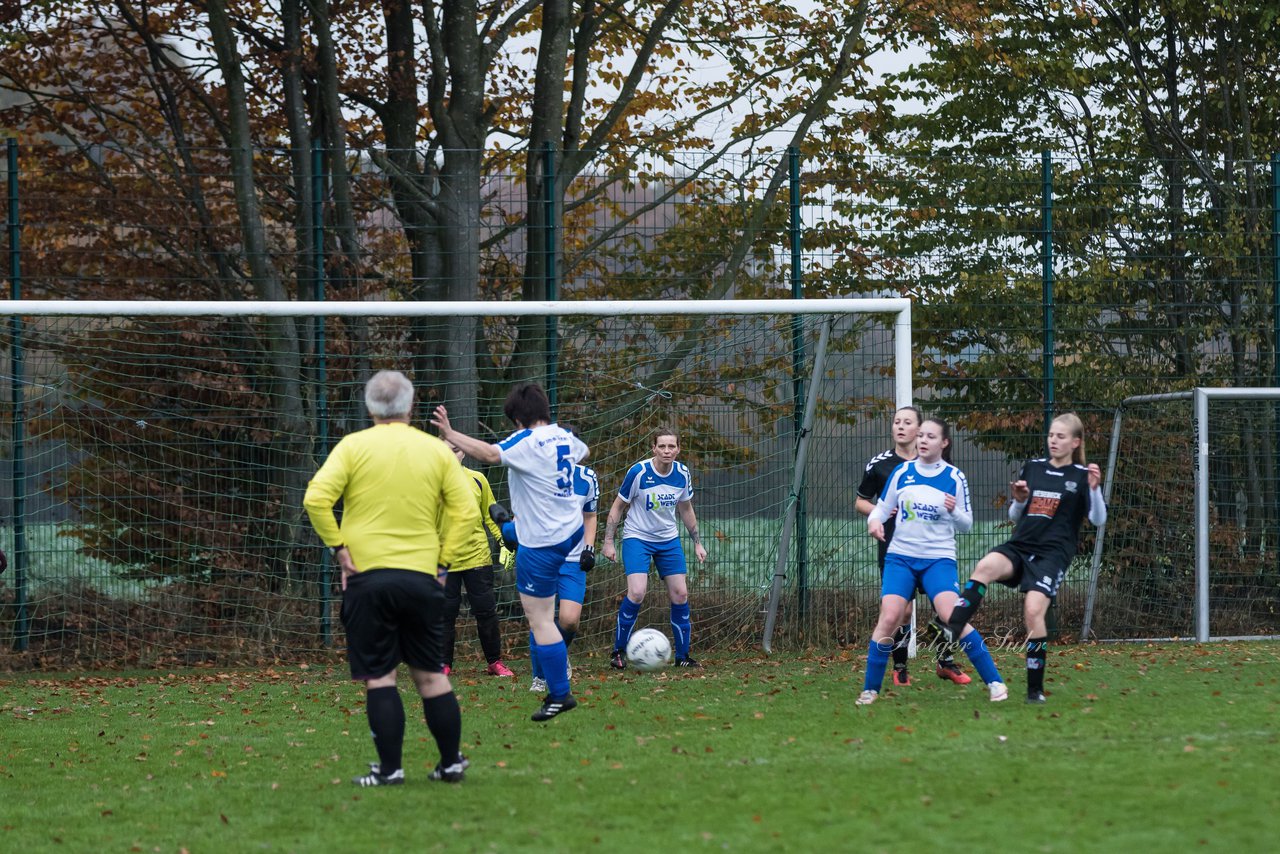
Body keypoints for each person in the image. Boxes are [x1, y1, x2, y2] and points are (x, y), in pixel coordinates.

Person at [303, 370, 477, 786]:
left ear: (369, 408)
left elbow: (316, 498)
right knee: (431, 675)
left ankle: (390, 770)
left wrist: (340, 549)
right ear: (411, 406)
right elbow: (467, 511)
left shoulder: (353, 446)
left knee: (380, 677)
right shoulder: (434, 451)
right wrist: (444, 562)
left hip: (367, 578)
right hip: (421, 578)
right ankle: (451, 763)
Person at [431, 382, 589, 721]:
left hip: (542, 544)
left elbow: (489, 454)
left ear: (518, 419)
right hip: (572, 533)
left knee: (541, 621)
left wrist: (450, 432)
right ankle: (508, 528)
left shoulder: (524, 440)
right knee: (509, 526)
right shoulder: (566, 436)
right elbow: (583, 451)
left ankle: (559, 694)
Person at [939, 412, 1106, 704]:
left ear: (1075, 442)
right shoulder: (1034, 467)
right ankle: (953, 628)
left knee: (1032, 612)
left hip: (1052, 555)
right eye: (1051, 435)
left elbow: (1097, 518)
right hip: (1021, 544)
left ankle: (1034, 691)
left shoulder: (1082, 476)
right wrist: (1018, 499)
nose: (1053, 440)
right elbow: (1015, 515)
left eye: (1061, 436)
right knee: (986, 566)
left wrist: (1094, 489)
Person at [856, 417, 1007, 705]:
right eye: (921, 435)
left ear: (944, 442)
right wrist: (873, 523)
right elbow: (881, 509)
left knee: (953, 617)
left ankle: (995, 682)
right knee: (889, 618)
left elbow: (966, 524)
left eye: (930, 436)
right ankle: (870, 689)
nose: (923, 440)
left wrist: (953, 511)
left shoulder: (953, 477)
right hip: (900, 557)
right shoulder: (902, 472)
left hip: (938, 559)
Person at [855, 405, 969, 687]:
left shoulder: (936, 464)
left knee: (945, 610)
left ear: (921, 430)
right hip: (895, 547)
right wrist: (878, 514)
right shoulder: (880, 464)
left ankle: (945, 660)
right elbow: (860, 501)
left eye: (907, 422)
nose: (900, 427)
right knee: (902, 612)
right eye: (896, 422)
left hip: (933, 550)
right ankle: (901, 667)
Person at [603, 427, 708, 669]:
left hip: (668, 540)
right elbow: (618, 506)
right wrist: (608, 541)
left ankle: (682, 657)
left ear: (678, 449)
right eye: (662, 446)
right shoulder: (638, 472)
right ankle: (618, 652)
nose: (667, 450)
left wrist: (697, 542)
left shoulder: (682, 473)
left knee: (680, 594)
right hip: (637, 537)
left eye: (672, 446)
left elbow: (686, 509)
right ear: (654, 448)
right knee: (637, 592)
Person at [439, 440, 516, 678]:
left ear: (464, 452)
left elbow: (491, 515)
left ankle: (495, 662)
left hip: (477, 558)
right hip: (443, 560)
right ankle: (443, 665)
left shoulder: (477, 479)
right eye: (447, 448)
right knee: (444, 614)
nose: (453, 452)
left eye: (457, 448)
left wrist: (504, 542)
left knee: (486, 612)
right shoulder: (429, 480)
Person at [527, 454, 599, 693]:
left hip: (572, 561)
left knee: (569, 620)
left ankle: (558, 652)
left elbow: (590, 516)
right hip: (542, 558)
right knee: (539, 620)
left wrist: (589, 548)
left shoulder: (587, 478)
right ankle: (540, 677)